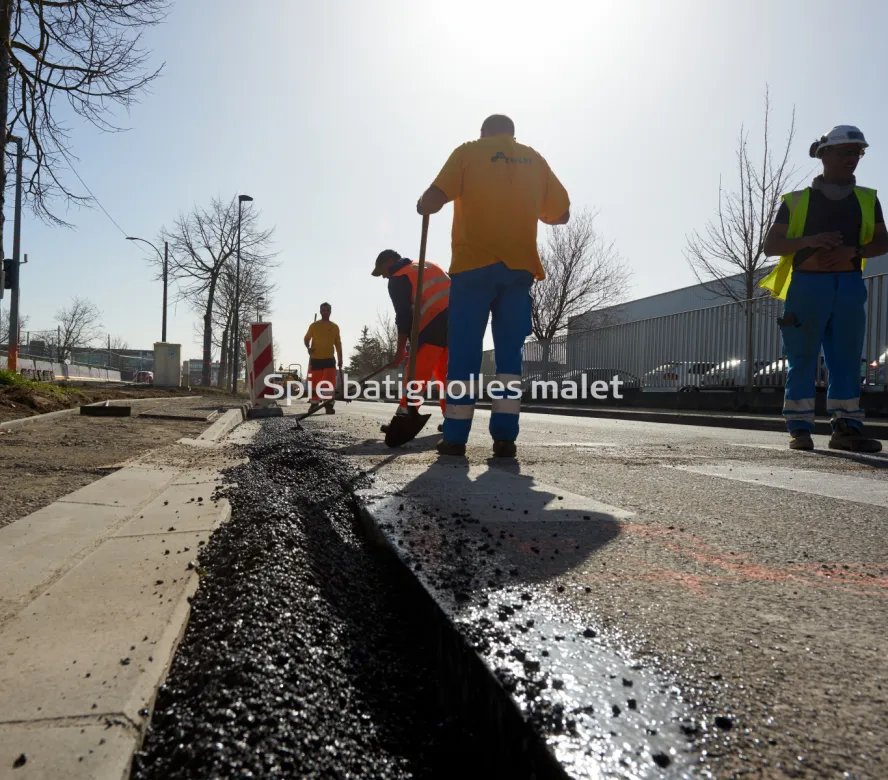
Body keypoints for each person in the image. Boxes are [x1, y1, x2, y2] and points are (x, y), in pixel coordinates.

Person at [416, 114, 570, 457]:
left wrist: (423, 204)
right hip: (518, 270)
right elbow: (561, 214)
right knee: (509, 358)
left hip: (473, 267)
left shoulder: (469, 152)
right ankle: (504, 438)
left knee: (465, 353)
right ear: (512, 135)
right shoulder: (535, 158)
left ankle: (455, 436)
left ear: (484, 132)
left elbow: (433, 199)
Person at [762, 125, 888, 452]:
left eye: (858, 152)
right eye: (846, 151)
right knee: (802, 356)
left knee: (846, 358)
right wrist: (811, 241)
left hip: (847, 285)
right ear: (825, 155)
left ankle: (846, 429)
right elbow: (771, 245)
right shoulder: (797, 201)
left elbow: (882, 241)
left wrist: (854, 252)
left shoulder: (867, 200)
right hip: (807, 285)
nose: (853, 158)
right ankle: (800, 429)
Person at [371, 249, 449, 432]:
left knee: (415, 372)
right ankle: (453, 421)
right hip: (457, 322)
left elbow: (404, 317)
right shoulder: (428, 265)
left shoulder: (399, 277)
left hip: (433, 324)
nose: (383, 276)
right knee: (445, 375)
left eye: (382, 271)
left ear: (390, 260)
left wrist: (400, 351)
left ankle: (404, 420)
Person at [303, 302, 343, 414]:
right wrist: (308, 348)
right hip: (316, 359)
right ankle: (314, 404)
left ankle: (329, 405)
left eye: (327, 310)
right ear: (320, 311)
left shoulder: (334, 327)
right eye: (323, 310)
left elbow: (338, 344)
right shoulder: (314, 325)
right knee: (314, 383)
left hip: (329, 359)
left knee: (329, 383)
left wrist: (340, 358)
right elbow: (306, 339)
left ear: (330, 311)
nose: (325, 312)